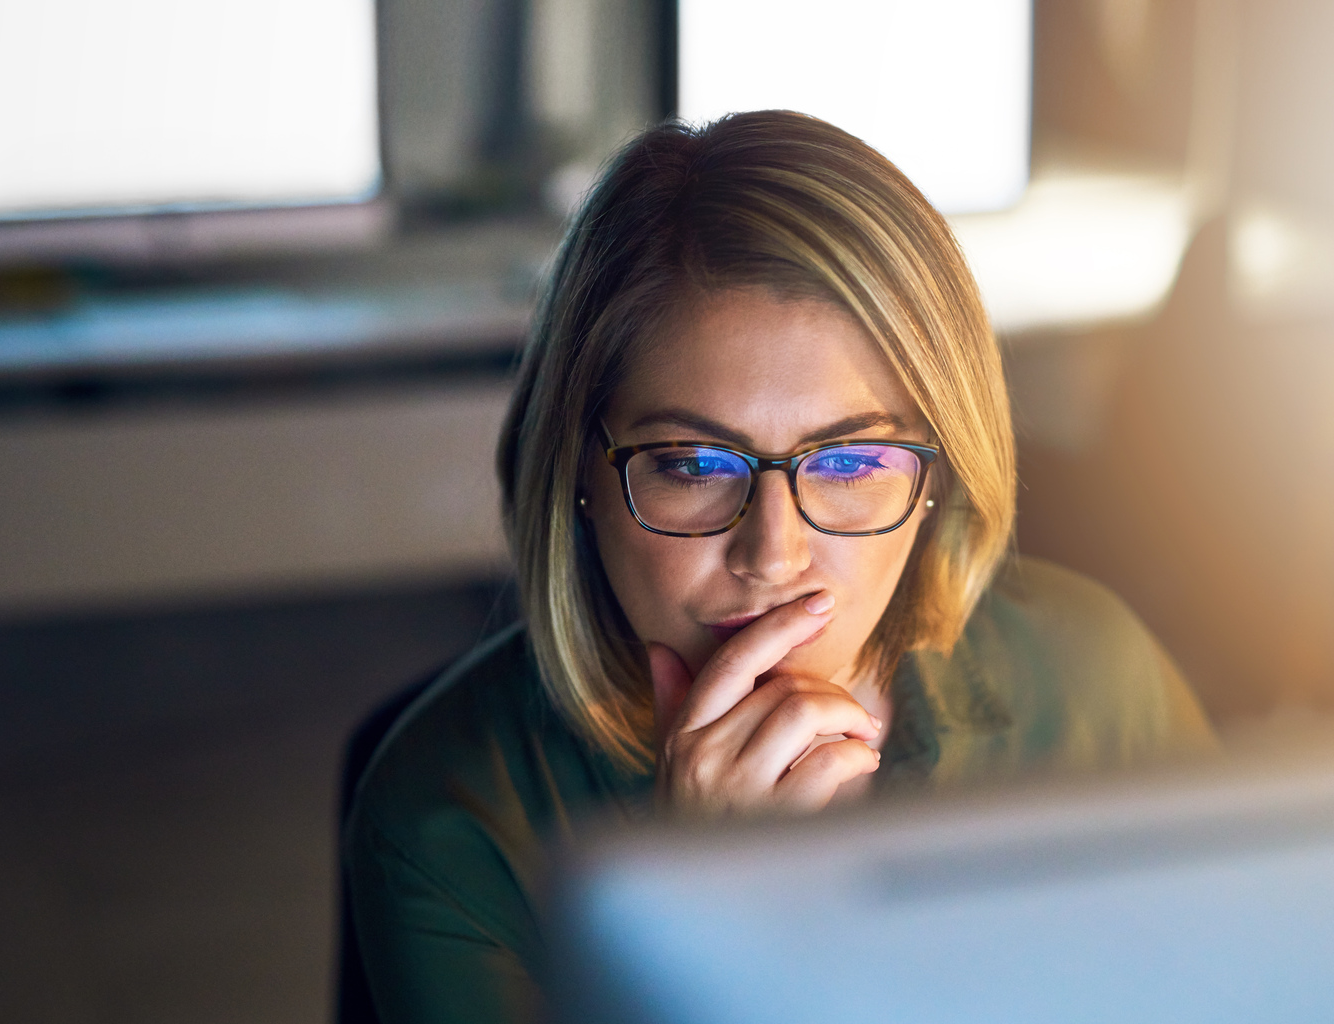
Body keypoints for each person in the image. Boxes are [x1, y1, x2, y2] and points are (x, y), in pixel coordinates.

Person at [343, 111, 1215, 1024]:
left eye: (850, 464)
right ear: (578, 475)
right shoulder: (451, 822)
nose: (774, 557)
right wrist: (717, 915)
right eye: (690, 465)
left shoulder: (1095, 683)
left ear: (939, 476)